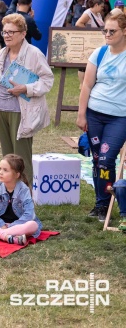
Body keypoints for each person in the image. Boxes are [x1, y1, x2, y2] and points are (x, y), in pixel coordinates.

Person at [0, 14, 54, 185]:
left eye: (11, 32)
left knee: (21, 159)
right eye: (4, 32)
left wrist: (26, 89)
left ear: (23, 33)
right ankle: (10, 195)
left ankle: (25, 198)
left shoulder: (34, 54)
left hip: (21, 112)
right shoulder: (1, 54)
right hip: (1, 111)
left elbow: (47, 80)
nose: (7, 35)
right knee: (7, 159)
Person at [76, 12, 126, 223]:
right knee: (97, 160)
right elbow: (87, 85)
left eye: (112, 31)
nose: (107, 34)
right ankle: (101, 204)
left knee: (106, 160)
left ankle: (105, 203)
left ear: (124, 32)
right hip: (95, 114)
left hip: (119, 117)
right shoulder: (99, 53)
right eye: (104, 30)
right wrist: (81, 114)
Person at [0, 154, 42, 246]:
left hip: (18, 226)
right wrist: (1, 225)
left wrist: (11, 227)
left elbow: (29, 214)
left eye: (5, 170)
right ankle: (8, 237)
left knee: (33, 225)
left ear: (17, 175)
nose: (0, 172)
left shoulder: (24, 190)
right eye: (0, 169)